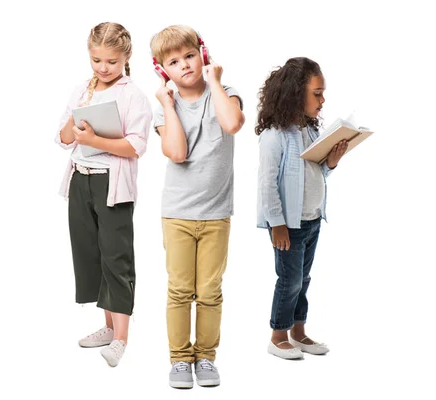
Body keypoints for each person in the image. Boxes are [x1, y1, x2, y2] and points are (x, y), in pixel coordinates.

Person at [150, 25, 245, 388]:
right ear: (163, 70)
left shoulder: (226, 93)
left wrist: (215, 81)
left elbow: (232, 123)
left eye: (189, 55)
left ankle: (205, 357)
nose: (185, 65)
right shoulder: (165, 108)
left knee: (209, 290)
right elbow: (177, 151)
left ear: (203, 54)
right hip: (177, 213)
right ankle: (179, 359)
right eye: (174, 62)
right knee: (179, 288)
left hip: (216, 213)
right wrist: (168, 103)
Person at [55, 22, 152, 367]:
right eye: (96, 60)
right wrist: (76, 117)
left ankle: (122, 337)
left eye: (111, 61)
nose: (103, 68)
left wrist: (95, 140)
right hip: (81, 180)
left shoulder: (132, 95)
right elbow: (65, 138)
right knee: (90, 253)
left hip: (112, 184)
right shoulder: (83, 88)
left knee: (116, 256)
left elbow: (136, 145)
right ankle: (108, 327)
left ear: (126, 57)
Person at [256, 57, 348, 360]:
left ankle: (298, 331)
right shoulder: (275, 136)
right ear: (297, 93)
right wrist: (277, 223)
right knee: (290, 280)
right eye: (317, 93)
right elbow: (267, 184)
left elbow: (316, 173)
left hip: (311, 220)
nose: (322, 100)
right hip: (288, 225)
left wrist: (331, 162)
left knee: (303, 279)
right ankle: (277, 335)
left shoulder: (309, 131)